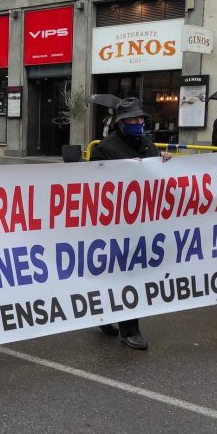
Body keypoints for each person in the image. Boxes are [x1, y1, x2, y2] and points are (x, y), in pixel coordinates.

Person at [89, 97, 173, 350]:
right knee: (123, 274)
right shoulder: (104, 148)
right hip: (115, 223)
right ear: (120, 124)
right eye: (133, 120)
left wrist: (164, 161)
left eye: (141, 119)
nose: (139, 123)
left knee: (130, 274)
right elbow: (92, 184)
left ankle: (107, 317)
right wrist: (120, 170)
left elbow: (157, 178)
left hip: (143, 222)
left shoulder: (147, 145)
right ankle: (129, 329)